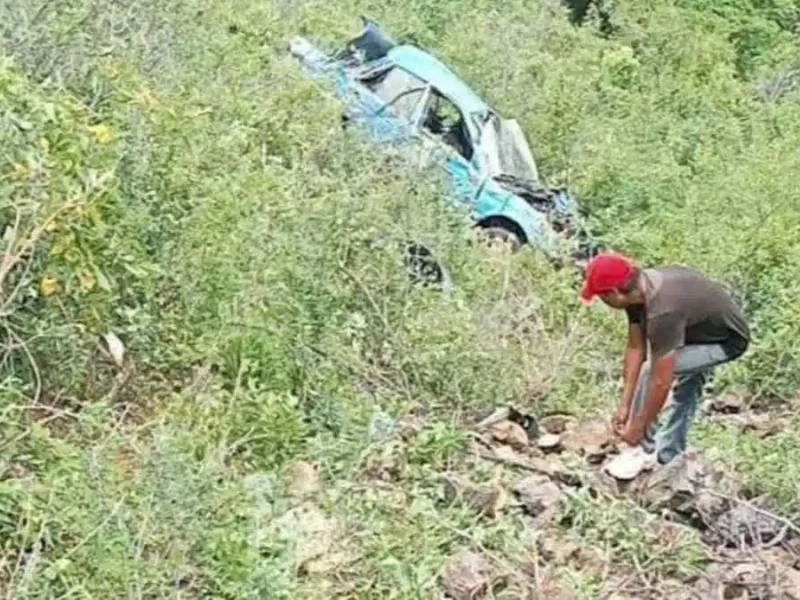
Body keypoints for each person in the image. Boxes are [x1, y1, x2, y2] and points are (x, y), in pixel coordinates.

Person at [579, 252, 750, 479]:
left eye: (601, 296)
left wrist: (637, 429)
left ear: (613, 293)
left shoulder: (662, 310)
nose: (602, 301)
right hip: (693, 329)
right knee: (684, 384)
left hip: (725, 341)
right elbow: (635, 349)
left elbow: (660, 381)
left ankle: (641, 451)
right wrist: (625, 406)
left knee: (655, 374)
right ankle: (671, 454)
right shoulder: (638, 292)